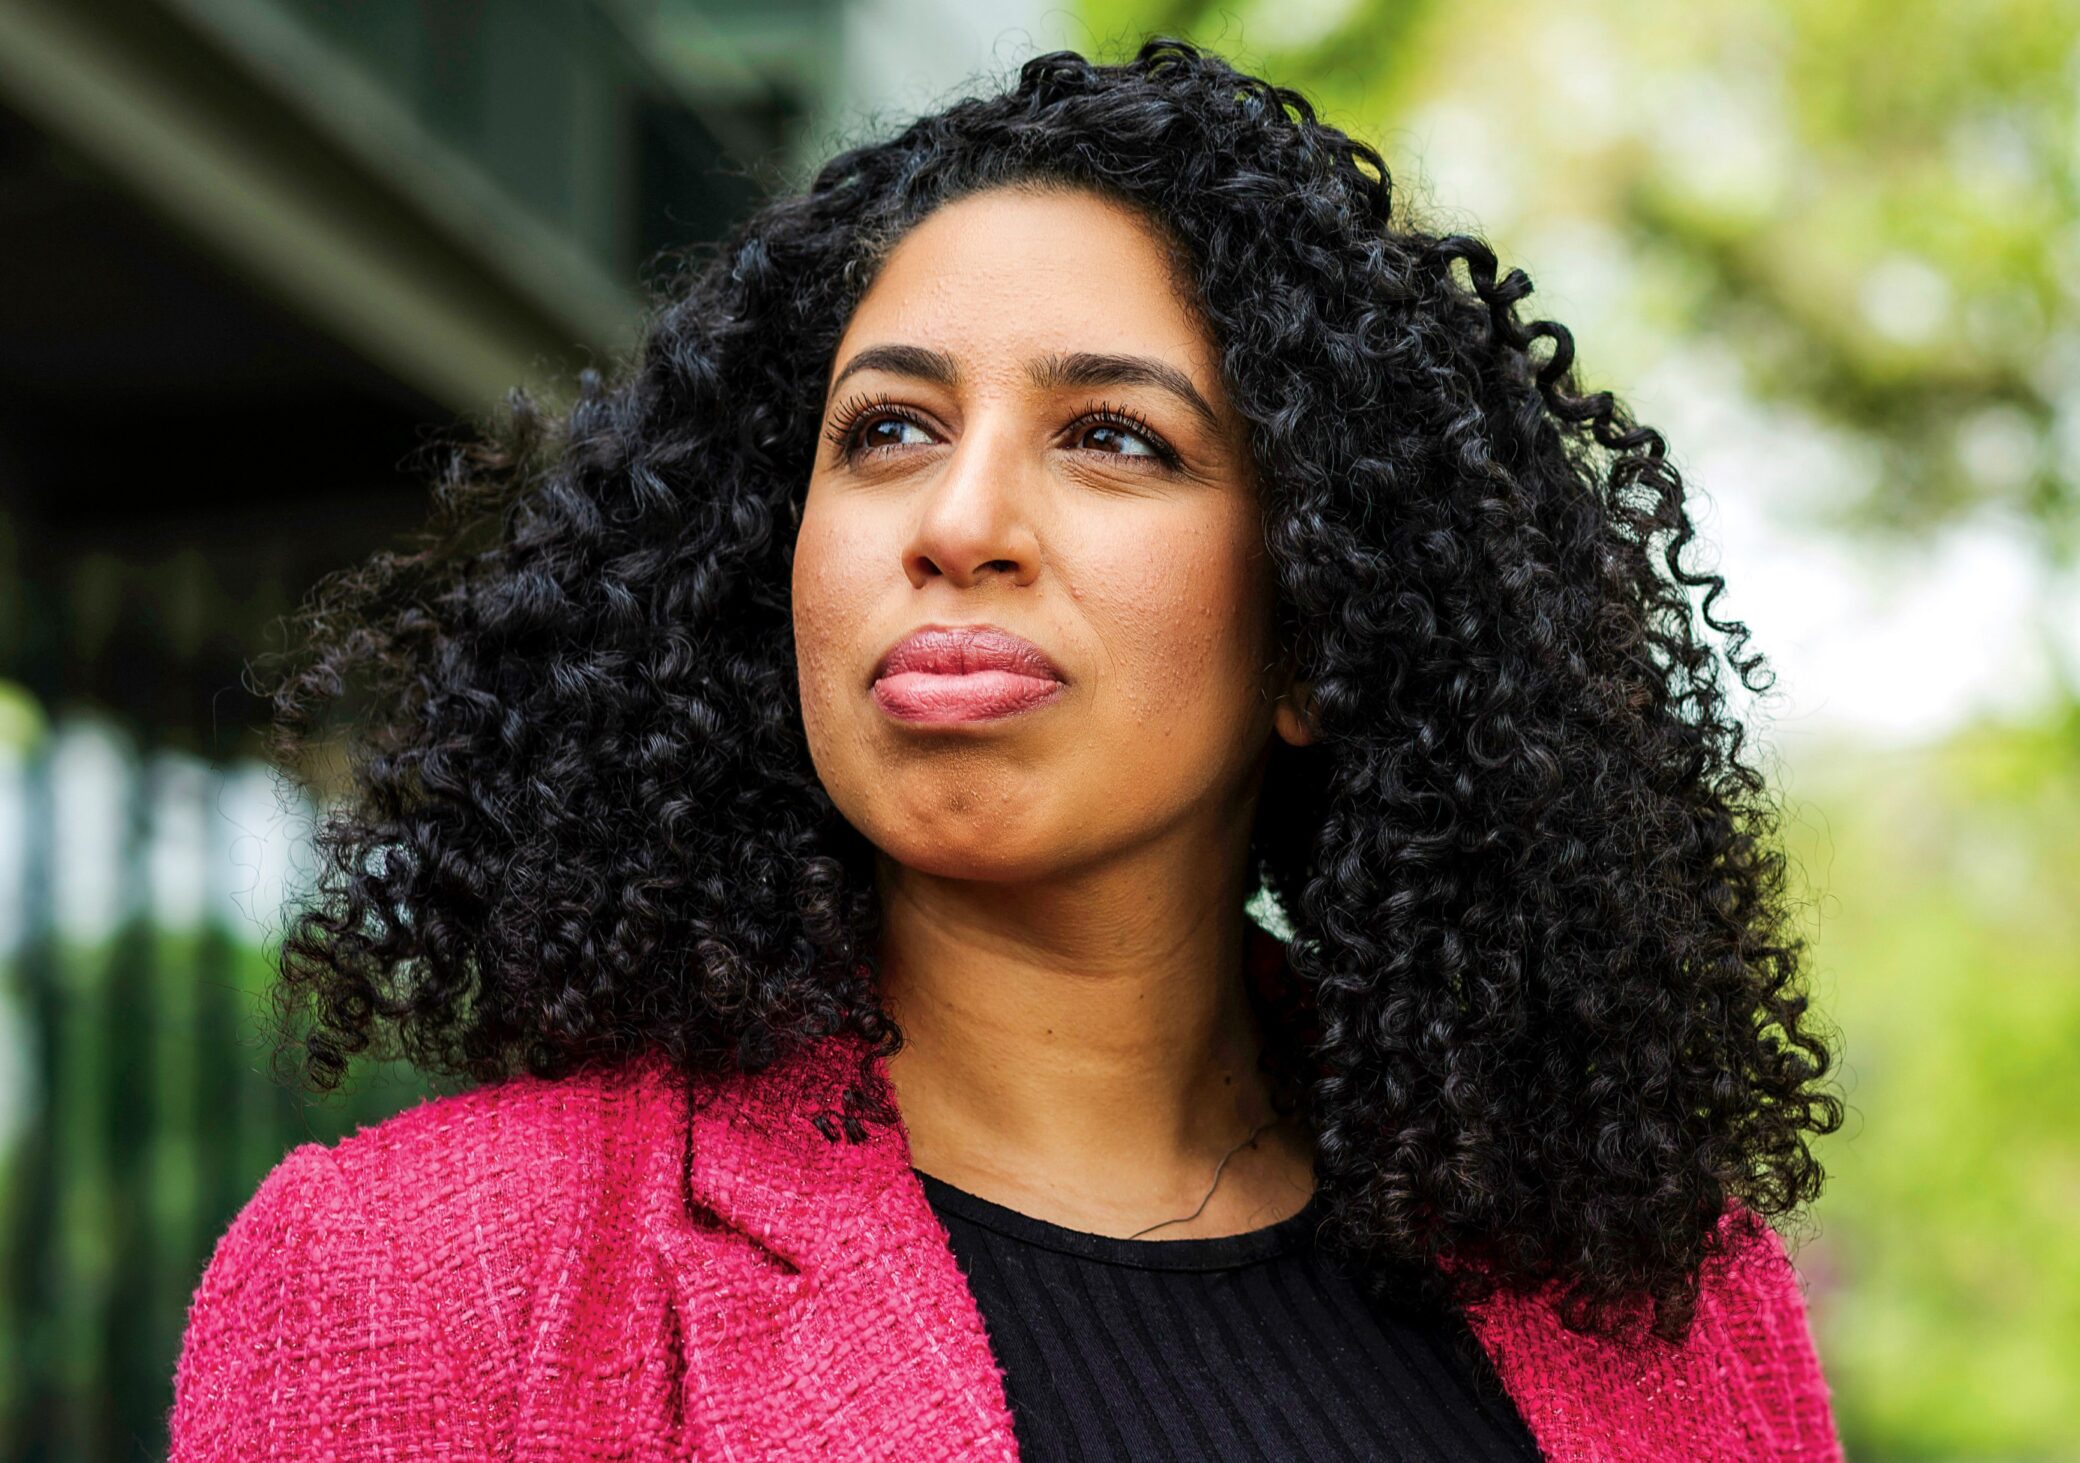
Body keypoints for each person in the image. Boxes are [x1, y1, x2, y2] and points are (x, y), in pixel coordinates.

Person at [168, 36, 1846, 1462]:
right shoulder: (423, 1277)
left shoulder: (1654, 1296)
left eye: (1113, 437)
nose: (959, 521)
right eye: (888, 430)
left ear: (1320, 630)